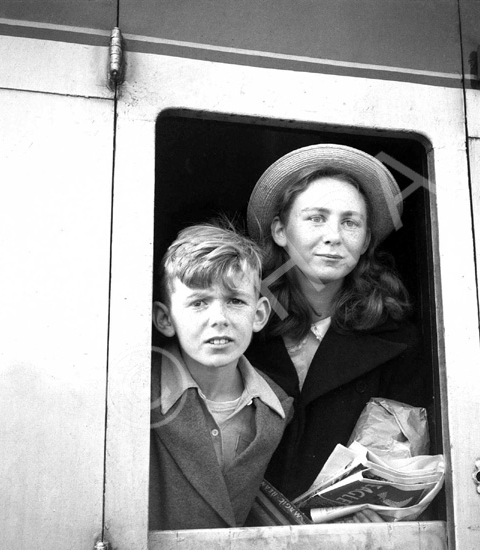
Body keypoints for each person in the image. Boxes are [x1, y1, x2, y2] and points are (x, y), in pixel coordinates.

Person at [246, 144, 429, 501]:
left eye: (350, 222)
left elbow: (400, 467)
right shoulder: (241, 328)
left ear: (365, 243)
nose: (334, 236)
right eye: (316, 218)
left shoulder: (397, 342)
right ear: (281, 231)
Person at [149, 223, 294, 529]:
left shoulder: (276, 407)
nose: (219, 319)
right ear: (165, 319)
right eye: (199, 303)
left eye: (235, 301)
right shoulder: (142, 394)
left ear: (259, 315)